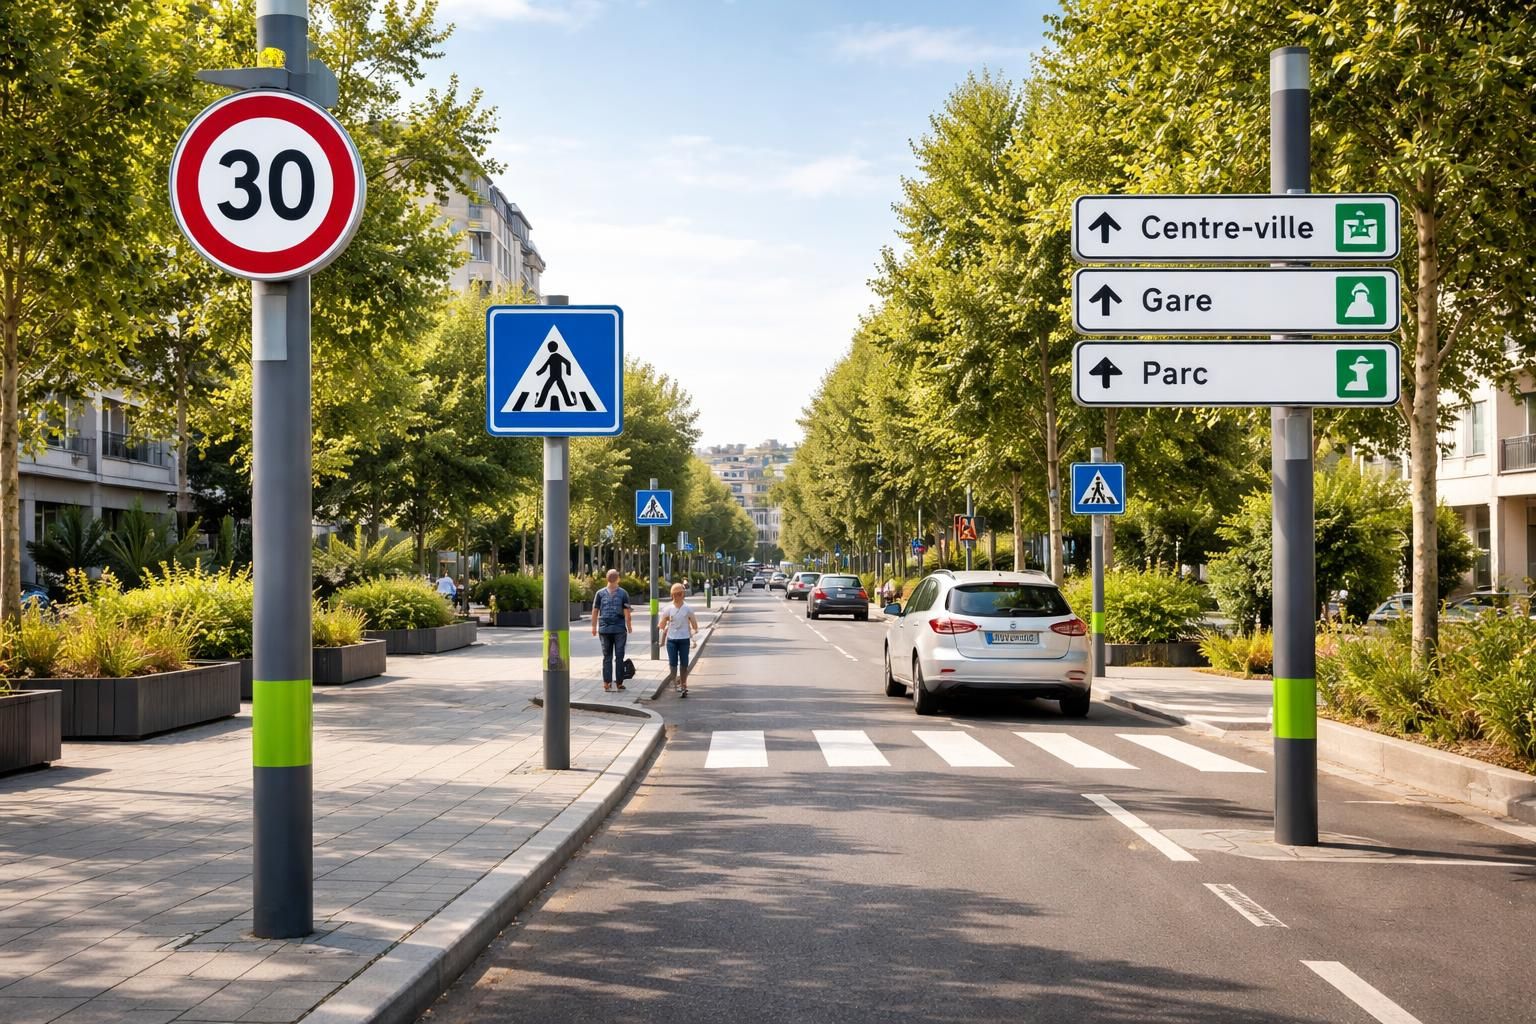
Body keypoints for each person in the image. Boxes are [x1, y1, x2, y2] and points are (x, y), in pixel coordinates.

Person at [591, 569, 633, 692]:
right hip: (619, 629)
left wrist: (593, 627)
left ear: (606, 578)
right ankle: (619, 683)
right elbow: (627, 613)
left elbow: (595, 611)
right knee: (619, 656)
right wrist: (629, 626)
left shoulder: (599, 593)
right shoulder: (623, 593)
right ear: (618, 578)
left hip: (604, 629)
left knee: (607, 656)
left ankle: (607, 682)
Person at [658, 582, 700, 698]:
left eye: (679, 594)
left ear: (683, 594)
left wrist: (693, 633)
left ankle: (683, 684)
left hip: (684, 639)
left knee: (684, 663)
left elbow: (694, 625)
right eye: (675, 594)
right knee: (672, 664)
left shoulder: (688, 609)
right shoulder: (668, 609)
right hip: (671, 640)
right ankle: (675, 683)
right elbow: (661, 625)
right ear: (672, 595)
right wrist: (663, 624)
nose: (677, 596)